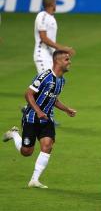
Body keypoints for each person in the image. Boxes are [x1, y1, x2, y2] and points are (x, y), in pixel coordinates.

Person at [2, 50, 77, 188]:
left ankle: (34, 180)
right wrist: (38, 111)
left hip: (47, 119)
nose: (69, 62)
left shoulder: (62, 80)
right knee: (26, 152)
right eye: (66, 59)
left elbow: (53, 99)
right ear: (57, 61)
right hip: (32, 118)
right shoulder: (45, 77)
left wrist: (66, 110)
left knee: (47, 146)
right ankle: (14, 134)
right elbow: (28, 94)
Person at [34, 0, 75, 74]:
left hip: (50, 56)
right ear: (53, 4)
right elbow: (43, 38)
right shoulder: (42, 16)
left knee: (51, 83)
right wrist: (62, 48)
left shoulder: (51, 18)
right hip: (42, 55)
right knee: (47, 83)